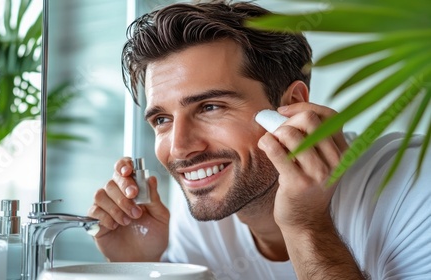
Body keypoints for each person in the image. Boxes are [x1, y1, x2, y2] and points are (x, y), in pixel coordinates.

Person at [87, 1, 431, 279]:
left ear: (292, 105)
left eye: (210, 107)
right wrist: (142, 267)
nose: (179, 148)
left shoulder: (416, 186)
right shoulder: (202, 212)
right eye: (162, 119)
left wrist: (305, 226)